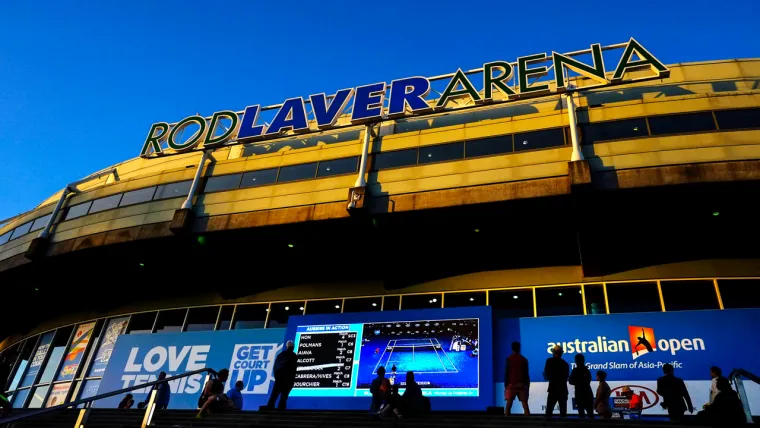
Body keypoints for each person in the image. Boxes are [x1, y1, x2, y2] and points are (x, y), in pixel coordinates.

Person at [267, 340, 297, 411]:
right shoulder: (293, 356)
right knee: (284, 396)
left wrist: (277, 378)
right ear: (293, 347)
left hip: (279, 379)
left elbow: (275, 367)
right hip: (287, 380)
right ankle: (281, 410)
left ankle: (269, 408)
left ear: (287, 346)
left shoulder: (280, 355)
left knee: (274, 395)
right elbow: (293, 369)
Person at [504, 341, 530, 416]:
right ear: (519, 348)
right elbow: (526, 374)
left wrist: (506, 385)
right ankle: (529, 424)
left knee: (508, 406)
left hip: (511, 385)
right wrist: (527, 385)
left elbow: (506, 373)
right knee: (525, 405)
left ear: (512, 348)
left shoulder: (509, 359)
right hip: (522, 385)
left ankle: (506, 424)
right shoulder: (524, 359)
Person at [543, 344, 569, 417]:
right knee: (563, 413)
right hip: (563, 389)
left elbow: (546, 374)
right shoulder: (565, 364)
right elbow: (566, 377)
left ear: (553, 352)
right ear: (561, 353)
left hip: (553, 389)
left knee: (549, 412)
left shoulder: (549, 361)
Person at [568, 354, 593, 418]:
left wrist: (577, 382)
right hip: (586, 392)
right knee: (589, 413)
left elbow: (570, 381)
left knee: (583, 412)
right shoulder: (586, 370)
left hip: (580, 393)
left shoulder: (576, 370)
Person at [0, 350, 18, 417]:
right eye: (15, 356)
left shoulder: (5, 365)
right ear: (10, 357)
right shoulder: (4, 366)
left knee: (8, 406)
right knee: (8, 406)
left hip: (1, 394)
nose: (16, 358)